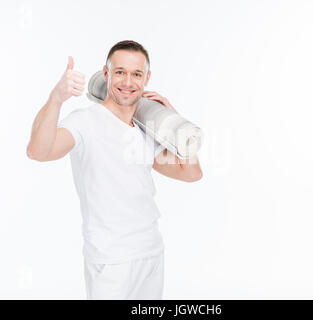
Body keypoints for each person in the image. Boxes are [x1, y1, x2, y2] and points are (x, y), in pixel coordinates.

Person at [26, 40, 203, 299]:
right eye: (120, 72)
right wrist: (57, 98)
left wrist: (174, 120)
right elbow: (38, 151)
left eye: (136, 74)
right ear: (107, 74)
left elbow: (191, 173)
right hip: (111, 260)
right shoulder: (84, 122)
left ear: (146, 78)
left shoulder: (145, 130)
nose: (127, 82)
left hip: (151, 252)